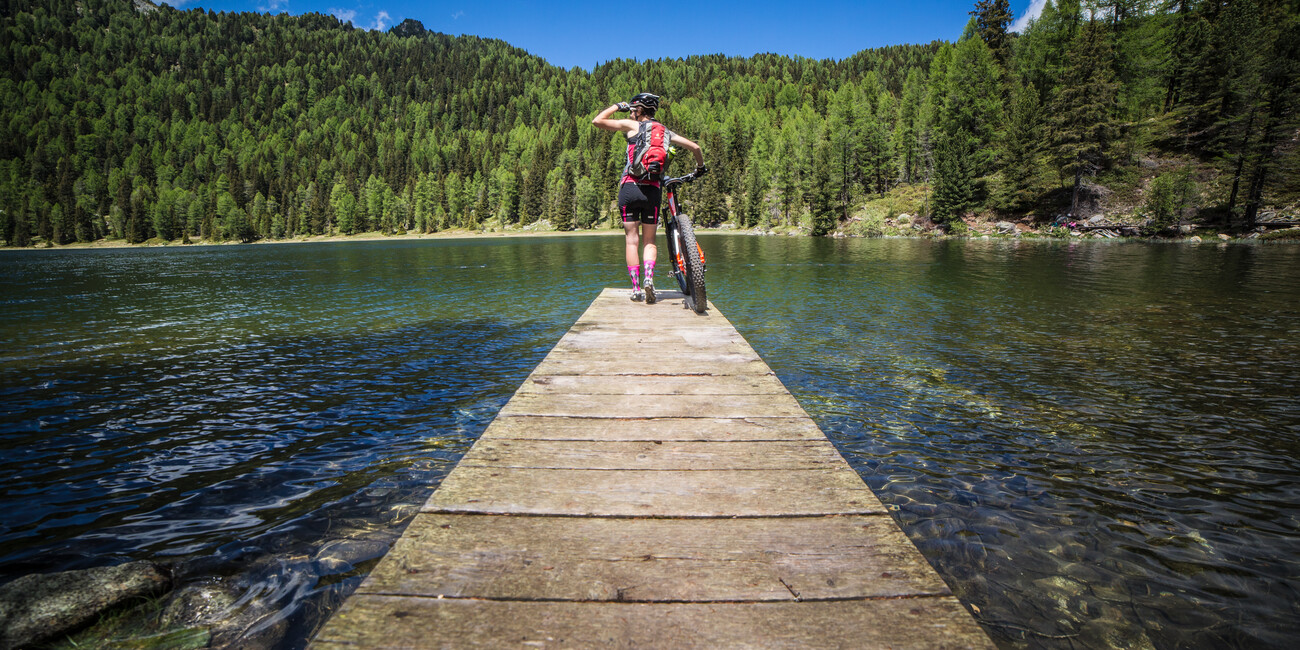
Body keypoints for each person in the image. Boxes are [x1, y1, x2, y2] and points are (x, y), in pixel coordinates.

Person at [592, 93, 706, 304]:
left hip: (629, 188)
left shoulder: (631, 125)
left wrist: (618, 106)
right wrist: (700, 167)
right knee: (649, 241)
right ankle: (649, 279)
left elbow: (597, 121)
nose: (632, 112)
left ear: (640, 110)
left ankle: (636, 288)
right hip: (652, 191)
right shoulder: (664, 132)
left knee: (631, 240)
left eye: (634, 109)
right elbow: (696, 148)